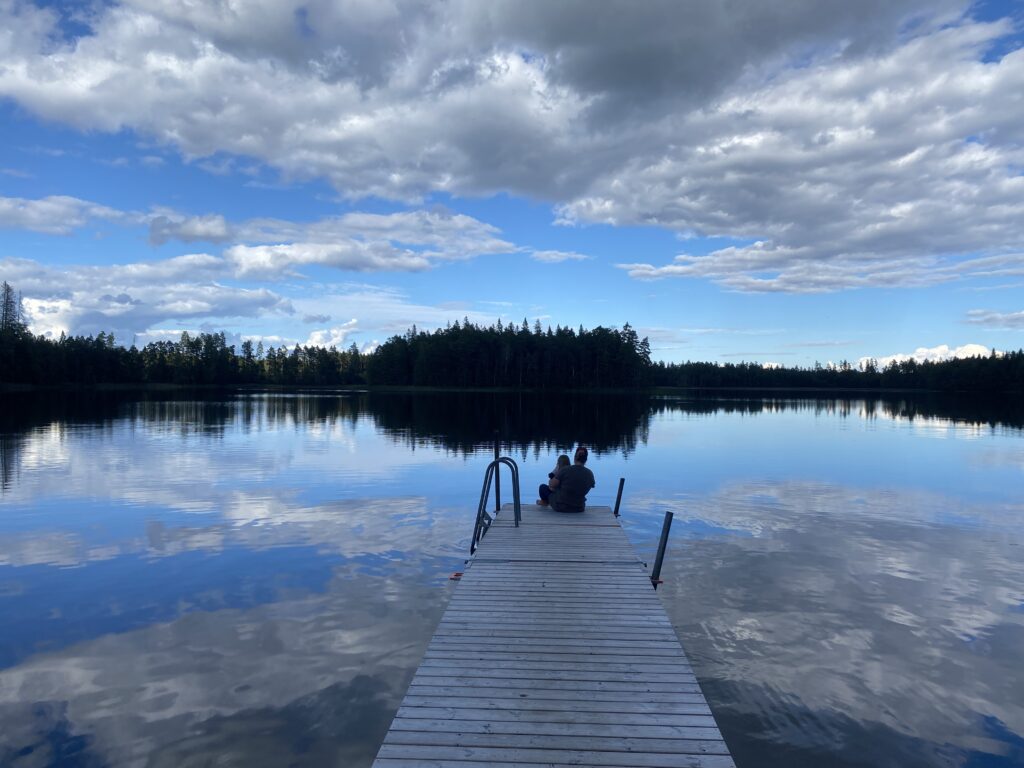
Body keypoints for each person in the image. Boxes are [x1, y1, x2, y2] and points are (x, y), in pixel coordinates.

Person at [545, 446, 595, 513]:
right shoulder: (590, 473)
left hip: (561, 506)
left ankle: (544, 502)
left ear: (574, 457)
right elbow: (592, 485)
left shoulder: (565, 470)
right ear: (586, 460)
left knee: (543, 488)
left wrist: (557, 470)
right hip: (579, 508)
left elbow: (551, 484)